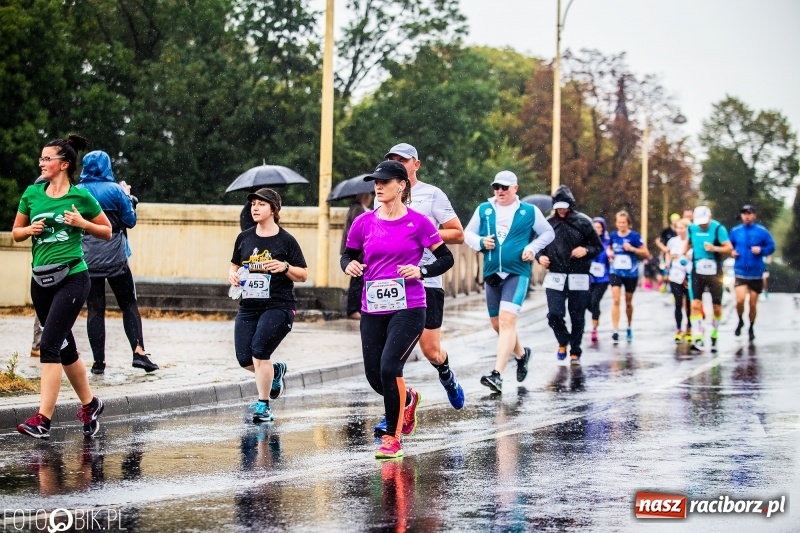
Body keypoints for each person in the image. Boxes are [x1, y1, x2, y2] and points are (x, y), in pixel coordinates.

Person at [341, 160, 454, 459]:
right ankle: (408, 399)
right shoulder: (363, 222)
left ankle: (392, 438)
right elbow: (348, 254)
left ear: (401, 185)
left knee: (391, 367)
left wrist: (421, 271)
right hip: (373, 308)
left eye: (385, 181)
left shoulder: (419, 223)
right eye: (375, 181)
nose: (378, 186)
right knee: (374, 375)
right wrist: (349, 264)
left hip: (410, 307)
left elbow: (446, 259)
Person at [13, 135, 112, 439]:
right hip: (40, 280)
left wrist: (82, 223)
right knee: (65, 347)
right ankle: (91, 404)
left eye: (47, 159)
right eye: (41, 159)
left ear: (64, 164)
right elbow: (16, 232)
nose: (42, 163)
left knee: (49, 345)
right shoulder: (32, 193)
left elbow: (107, 231)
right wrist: (30, 229)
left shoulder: (80, 197)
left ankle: (43, 419)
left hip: (72, 277)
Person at [380, 142, 466, 411]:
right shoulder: (382, 195)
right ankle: (399, 406)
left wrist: (420, 233)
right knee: (389, 355)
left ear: (416, 165)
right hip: (392, 282)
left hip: (427, 280)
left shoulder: (432, 195)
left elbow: (458, 233)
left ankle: (446, 375)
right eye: (393, 160)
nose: (398, 164)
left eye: (403, 160)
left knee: (430, 350)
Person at [464, 171, 554, 393]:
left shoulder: (529, 211)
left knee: (506, 321)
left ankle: (497, 375)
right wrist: (481, 242)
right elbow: (467, 233)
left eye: (505, 187)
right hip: (492, 272)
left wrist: (532, 248)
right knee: (497, 324)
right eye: (496, 187)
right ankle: (522, 355)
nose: (500, 191)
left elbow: (548, 233)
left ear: (515, 188)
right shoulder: (484, 210)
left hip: (517, 272)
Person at [228, 188, 308, 424]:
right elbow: (234, 265)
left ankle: (263, 406)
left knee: (260, 350)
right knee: (244, 358)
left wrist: (284, 267)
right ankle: (275, 372)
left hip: (279, 306)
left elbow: (303, 274)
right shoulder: (244, 237)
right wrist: (232, 276)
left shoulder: (286, 240)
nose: (254, 208)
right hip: (249, 306)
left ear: (273, 209)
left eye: (261, 204)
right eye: (253, 204)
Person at [77, 150, 159, 375]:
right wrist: (128, 196)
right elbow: (130, 220)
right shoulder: (115, 190)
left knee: (95, 309)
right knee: (129, 304)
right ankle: (139, 352)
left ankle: (98, 363)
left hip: (87, 259)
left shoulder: (77, 192)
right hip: (116, 258)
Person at [535, 186, 603, 364]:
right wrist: (540, 256)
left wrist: (586, 250)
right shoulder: (548, 223)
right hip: (556, 275)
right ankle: (563, 340)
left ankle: (575, 350)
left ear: (571, 206)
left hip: (578, 275)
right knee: (554, 314)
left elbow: (598, 247)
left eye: (565, 207)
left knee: (577, 316)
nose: (562, 210)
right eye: (559, 207)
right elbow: (537, 246)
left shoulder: (583, 222)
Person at [684, 205, 732, 352]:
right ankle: (698, 335)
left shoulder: (718, 229)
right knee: (695, 304)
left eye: (705, 222)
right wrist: (682, 256)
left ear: (710, 217)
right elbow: (687, 245)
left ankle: (714, 332)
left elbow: (729, 248)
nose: (702, 225)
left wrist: (715, 248)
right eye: (700, 222)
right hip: (697, 270)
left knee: (716, 306)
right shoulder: (692, 229)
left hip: (714, 271)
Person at [729, 204, 775, 342]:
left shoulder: (762, 231)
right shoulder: (735, 231)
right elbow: (728, 246)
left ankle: (751, 327)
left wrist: (761, 250)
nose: (747, 216)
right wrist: (731, 252)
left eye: (749, 213)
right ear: (741, 215)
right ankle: (740, 320)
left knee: (753, 304)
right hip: (740, 271)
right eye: (744, 213)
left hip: (756, 272)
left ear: (754, 215)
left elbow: (772, 246)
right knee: (740, 300)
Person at [607, 210, 650, 343]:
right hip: (616, 271)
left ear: (628, 223)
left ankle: (629, 326)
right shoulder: (613, 236)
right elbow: (609, 248)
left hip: (631, 272)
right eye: (619, 222)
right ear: (616, 223)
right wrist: (609, 253)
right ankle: (615, 330)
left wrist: (632, 248)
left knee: (628, 302)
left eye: (623, 223)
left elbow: (646, 253)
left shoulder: (634, 236)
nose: (621, 225)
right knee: (615, 299)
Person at [341, 192, 373, 320]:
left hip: (360, 250)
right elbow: (358, 231)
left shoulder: (360, 209)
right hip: (358, 251)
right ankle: (353, 309)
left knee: (360, 280)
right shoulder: (358, 210)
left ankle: (357, 308)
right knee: (357, 280)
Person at [664, 218, 692, 342]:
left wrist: (683, 256)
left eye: (682, 228)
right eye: (678, 228)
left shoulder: (691, 241)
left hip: (689, 274)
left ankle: (690, 328)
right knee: (678, 303)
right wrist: (667, 264)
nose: (679, 230)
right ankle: (679, 329)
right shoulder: (672, 241)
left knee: (690, 304)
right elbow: (668, 253)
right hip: (675, 274)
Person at [588, 217, 611, 342]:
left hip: (603, 277)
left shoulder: (607, 242)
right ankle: (596, 311)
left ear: (603, 228)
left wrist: (610, 255)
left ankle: (594, 328)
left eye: (599, 227)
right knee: (587, 302)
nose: (597, 230)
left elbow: (612, 256)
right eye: (595, 227)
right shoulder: (587, 241)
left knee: (595, 300)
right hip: (589, 277)